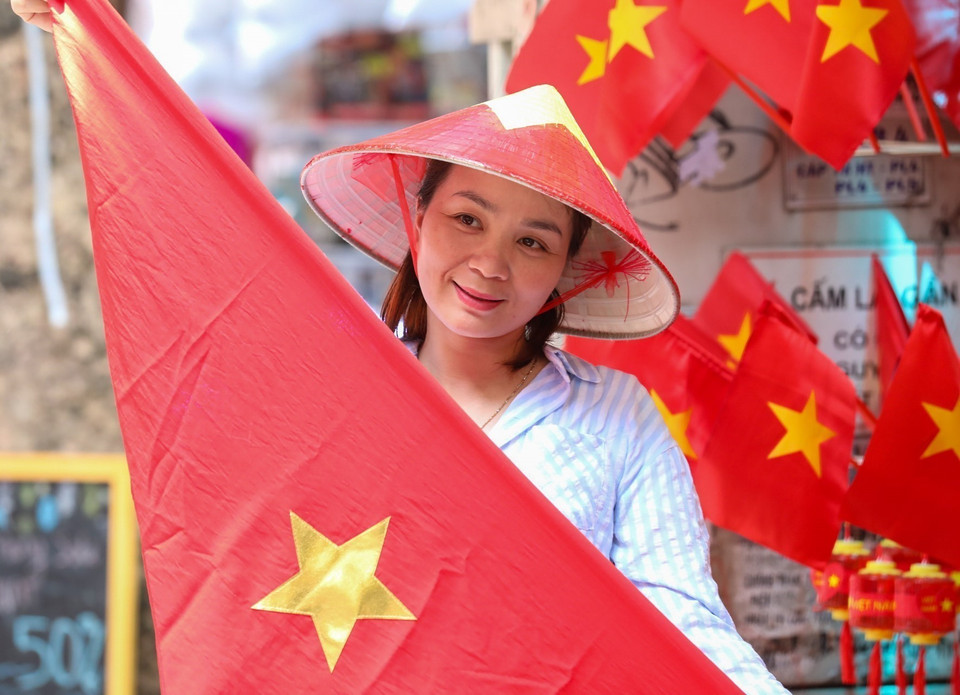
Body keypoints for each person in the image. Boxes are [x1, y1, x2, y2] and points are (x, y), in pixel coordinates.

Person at [13, 3, 789, 692]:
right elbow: (194, 365)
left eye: (533, 241)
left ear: (563, 272)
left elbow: (685, 621)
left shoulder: (618, 417)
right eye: (468, 219)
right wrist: (89, 46)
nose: (491, 262)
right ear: (418, 218)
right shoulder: (332, 386)